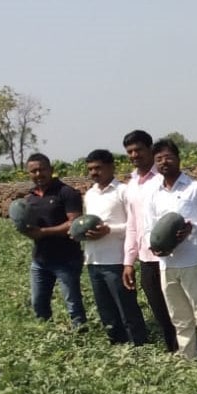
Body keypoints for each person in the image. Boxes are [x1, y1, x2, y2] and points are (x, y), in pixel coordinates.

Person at [145, 139, 197, 361]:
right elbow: (150, 227)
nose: (164, 162)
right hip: (166, 265)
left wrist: (192, 228)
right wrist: (154, 247)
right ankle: (189, 359)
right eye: (159, 159)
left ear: (178, 159)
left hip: (192, 263)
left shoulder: (196, 189)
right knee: (179, 318)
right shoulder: (154, 193)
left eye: (168, 157)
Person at [81, 149, 148, 345]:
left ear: (111, 167)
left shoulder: (123, 191)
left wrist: (109, 230)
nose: (94, 172)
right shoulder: (90, 194)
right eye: (91, 169)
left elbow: (135, 225)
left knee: (127, 308)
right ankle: (117, 346)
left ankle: (138, 346)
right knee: (106, 310)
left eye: (98, 168)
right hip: (94, 259)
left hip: (117, 260)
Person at [121, 129, 177, 352]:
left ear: (150, 150)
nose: (134, 155)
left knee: (178, 307)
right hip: (146, 256)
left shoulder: (162, 178)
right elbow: (132, 225)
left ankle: (191, 350)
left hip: (169, 255)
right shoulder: (132, 184)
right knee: (159, 308)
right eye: (130, 152)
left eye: (139, 150)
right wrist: (128, 261)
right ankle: (173, 349)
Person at [22, 153, 87, 329]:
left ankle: (81, 335)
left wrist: (43, 232)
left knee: (73, 303)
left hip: (66, 259)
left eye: (41, 169)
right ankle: (47, 334)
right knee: (38, 303)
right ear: (29, 174)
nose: (38, 174)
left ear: (51, 170)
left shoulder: (66, 193)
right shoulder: (29, 198)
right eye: (33, 171)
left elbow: (74, 224)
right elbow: (28, 225)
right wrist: (25, 229)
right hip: (40, 260)